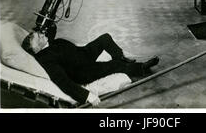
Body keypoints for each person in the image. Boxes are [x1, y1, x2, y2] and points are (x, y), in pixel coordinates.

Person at [22, 30, 159, 106]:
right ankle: (141, 68)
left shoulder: (48, 43)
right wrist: (87, 95)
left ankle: (120, 57)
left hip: (83, 53)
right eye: (38, 36)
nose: (41, 34)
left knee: (105, 38)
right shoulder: (45, 59)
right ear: (35, 48)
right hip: (83, 71)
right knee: (114, 66)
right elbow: (63, 82)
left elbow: (51, 27)